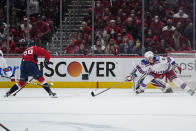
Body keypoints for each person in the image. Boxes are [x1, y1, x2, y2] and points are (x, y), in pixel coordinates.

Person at [126, 51, 195, 96]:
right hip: (155, 72)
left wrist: (174, 65)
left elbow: (170, 59)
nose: (149, 60)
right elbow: (140, 72)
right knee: (146, 79)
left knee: (176, 81)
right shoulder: (146, 64)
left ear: (153, 56)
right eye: (147, 58)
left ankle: (189, 90)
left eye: (150, 58)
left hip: (167, 70)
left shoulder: (159, 59)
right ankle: (141, 89)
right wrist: (132, 76)